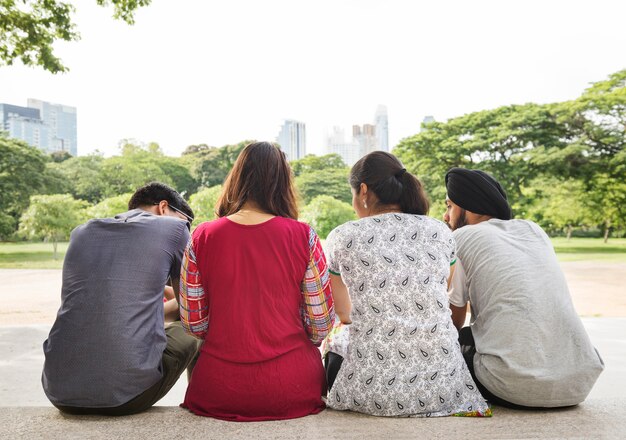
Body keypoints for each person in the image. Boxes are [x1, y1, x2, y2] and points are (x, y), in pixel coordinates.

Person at [323, 151, 490, 417]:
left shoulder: (343, 236)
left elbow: (343, 314)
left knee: (334, 341)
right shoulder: (439, 232)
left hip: (372, 391)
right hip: (442, 388)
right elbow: (439, 291)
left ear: (363, 190)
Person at [179, 141, 335, 421]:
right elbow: (320, 323)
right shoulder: (304, 236)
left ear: (236, 179)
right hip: (293, 386)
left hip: (218, 387)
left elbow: (194, 324)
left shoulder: (202, 237)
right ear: (283, 183)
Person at [444, 167, 605, 409]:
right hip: (578, 385)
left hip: (511, 386)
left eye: (449, 207)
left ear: (467, 205)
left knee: (451, 341)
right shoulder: (534, 230)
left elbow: (454, 320)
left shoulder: (462, 238)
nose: (446, 217)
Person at [42, 182, 201, 415]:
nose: (188, 229)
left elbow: (106, 304)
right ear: (163, 207)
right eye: (187, 221)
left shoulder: (81, 232)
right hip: (126, 396)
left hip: (59, 391)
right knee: (198, 327)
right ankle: (201, 404)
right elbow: (189, 311)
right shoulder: (174, 229)